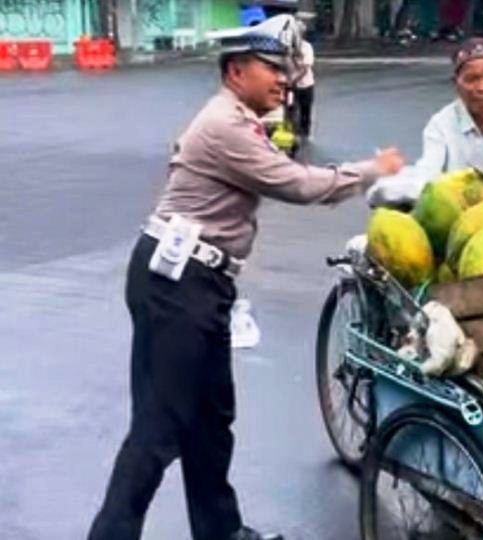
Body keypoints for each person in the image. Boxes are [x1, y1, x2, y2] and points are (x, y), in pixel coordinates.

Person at [86, 32, 404, 540]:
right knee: (160, 426)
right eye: (271, 68)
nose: (284, 78)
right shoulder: (223, 126)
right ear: (237, 73)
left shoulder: (240, 121)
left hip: (202, 278)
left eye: (286, 68)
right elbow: (299, 185)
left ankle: (219, 530)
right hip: (176, 281)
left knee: (211, 417)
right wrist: (373, 170)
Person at [366, 37, 483, 207]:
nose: (482, 87)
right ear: (456, 82)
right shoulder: (440, 124)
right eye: (471, 79)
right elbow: (428, 173)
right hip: (458, 215)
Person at [293, 22, 315, 139]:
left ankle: (305, 133)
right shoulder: (288, 47)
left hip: (305, 84)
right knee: (290, 110)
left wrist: (293, 80)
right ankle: (294, 132)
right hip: (291, 86)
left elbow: (305, 68)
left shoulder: (307, 47)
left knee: (305, 110)